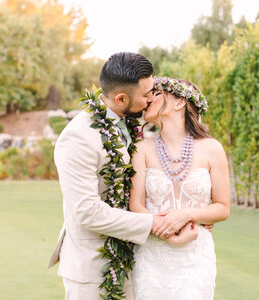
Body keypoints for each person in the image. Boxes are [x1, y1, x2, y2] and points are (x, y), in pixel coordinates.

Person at [47, 53, 191, 300]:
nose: (151, 99)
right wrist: (159, 225)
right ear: (121, 98)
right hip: (92, 268)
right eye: (146, 95)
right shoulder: (78, 138)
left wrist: (189, 214)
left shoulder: (134, 126)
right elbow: (88, 211)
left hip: (134, 261)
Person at [129, 77, 231, 300]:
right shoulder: (141, 149)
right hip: (152, 255)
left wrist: (187, 214)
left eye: (156, 94)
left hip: (195, 257)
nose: (148, 99)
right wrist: (166, 231)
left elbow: (223, 208)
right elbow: (135, 205)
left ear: (179, 103)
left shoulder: (211, 148)